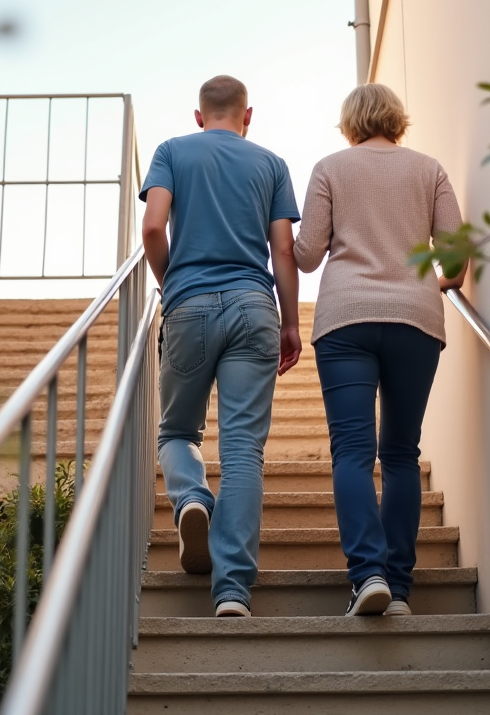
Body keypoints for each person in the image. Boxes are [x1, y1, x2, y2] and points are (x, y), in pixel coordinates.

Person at [293, 83, 466, 617]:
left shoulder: (329, 168)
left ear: (349, 122)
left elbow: (306, 256)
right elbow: (456, 258)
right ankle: (400, 589)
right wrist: (430, 286)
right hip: (415, 319)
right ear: (397, 118)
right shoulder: (429, 169)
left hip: (345, 319)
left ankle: (367, 575)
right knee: (400, 455)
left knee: (351, 451)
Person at [140, 74, 302, 618]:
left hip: (189, 305)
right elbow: (283, 250)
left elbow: (152, 229)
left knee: (178, 432)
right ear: (247, 115)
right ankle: (232, 591)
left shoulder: (172, 151)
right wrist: (290, 322)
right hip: (255, 305)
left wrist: (171, 283)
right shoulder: (271, 164)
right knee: (242, 453)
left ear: (198, 115)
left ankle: (190, 498)